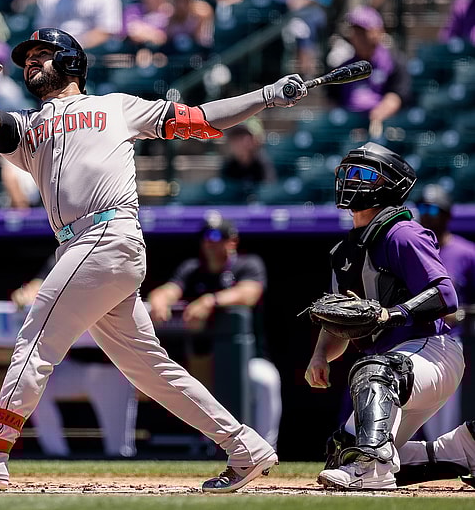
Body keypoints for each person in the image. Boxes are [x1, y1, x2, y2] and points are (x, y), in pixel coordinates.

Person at [0, 27, 307, 493]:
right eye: (26, 57)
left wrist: (266, 96)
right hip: (84, 246)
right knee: (149, 368)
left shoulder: (115, 106)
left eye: (42, 55)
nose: (31, 62)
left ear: (72, 63)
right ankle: (245, 447)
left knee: (34, 340)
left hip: (106, 233)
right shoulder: (31, 127)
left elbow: (200, 118)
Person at [304, 142, 464, 490]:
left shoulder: (402, 233)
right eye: (345, 171)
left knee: (372, 370)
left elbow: (445, 294)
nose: (349, 179)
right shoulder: (343, 252)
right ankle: (464, 450)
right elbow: (338, 319)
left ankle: (373, 471)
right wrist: (320, 354)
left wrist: (391, 314)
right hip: (391, 370)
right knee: (343, 452)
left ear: (389, 184)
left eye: (362, 173)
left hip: (431, 351)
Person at [148, 215, 282, 449]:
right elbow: (167, 290)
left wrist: (210, 300)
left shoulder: (247, 264)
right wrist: (159, 300)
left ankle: (266, 447)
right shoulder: (192, 269)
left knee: (266, 380)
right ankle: (211, 447)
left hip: (248, 359)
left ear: (232, 240)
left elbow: (250, 293)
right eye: (205, 237)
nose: (209, 242)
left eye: (216, 236)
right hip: (204, 361)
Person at [12, 257, 138, 457]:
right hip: (75, 366)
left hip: (112, 368)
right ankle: (56, 455)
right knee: (33, 384)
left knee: (119, 449)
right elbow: (36, 287)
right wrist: (25, 293)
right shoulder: (67, 254)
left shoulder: (113, 255)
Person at [413, 184, 475, 440]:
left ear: (447, 214)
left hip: (453, 342)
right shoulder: (413, 249)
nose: (425, 214)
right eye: (422, 208)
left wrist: (460, 313)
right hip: (416, 339)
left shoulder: (467, 252)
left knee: (446, 420)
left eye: (432, 208)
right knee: (417, 413)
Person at [325, 5, 411, 139]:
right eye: (355, 31)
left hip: (381, 124)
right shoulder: (344, 67)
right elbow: (332, 101)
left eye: (363, 31)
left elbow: (397, 95)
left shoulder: (393, 62)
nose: (358, 37)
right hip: (349, 125)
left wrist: (376, 117)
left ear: (378, 32)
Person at [34, 0, 124, 50]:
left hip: (93, 52)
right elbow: (43, 29)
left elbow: (106, 31)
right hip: (56, 48)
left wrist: (74, 45)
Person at [218, 119, 276, 197]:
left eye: (243, 136)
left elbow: (269, 192)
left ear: (255, 139)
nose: (238, 142)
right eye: (235, 137)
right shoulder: (228, 165)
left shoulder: (264, 164)